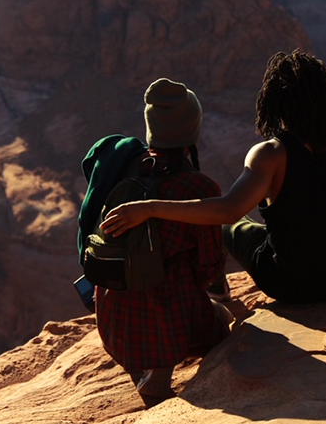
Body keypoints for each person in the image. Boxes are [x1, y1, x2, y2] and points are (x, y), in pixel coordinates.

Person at [101, 50, 326, 305]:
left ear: (276, 104)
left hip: (289, 285)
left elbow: (228, 211)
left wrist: (149, 207)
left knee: (232, 229)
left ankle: (217, 290)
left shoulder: (271, 155)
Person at [81, 78, 229, 406]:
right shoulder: (199, 187)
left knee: (145, 299)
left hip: (112, 316)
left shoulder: (122, 168)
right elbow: (208, 268)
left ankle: (142, 373)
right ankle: (158, 379)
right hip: (168, 319)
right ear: (192, 131)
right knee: (222, 325)